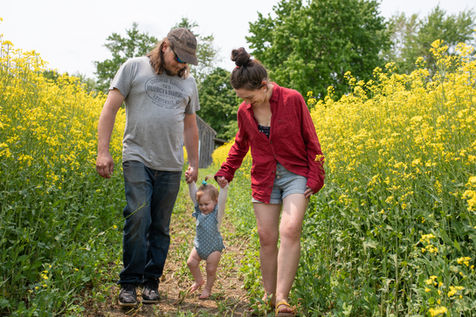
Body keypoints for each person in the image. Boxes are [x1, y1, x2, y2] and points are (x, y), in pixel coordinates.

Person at [215, 48, 325, 316]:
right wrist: (226, 170)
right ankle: (269, 296)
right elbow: (241, 144)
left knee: (290, 229)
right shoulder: (245, 111)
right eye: (242, 99)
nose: (247, 103)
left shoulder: (293, 100)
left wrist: (316, 175)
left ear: (264, 86)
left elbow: (312, 139)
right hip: (264, 177)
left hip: (295, 174)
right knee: (267, 237)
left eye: (250, 97)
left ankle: (283, 299)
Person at [95, 28, 200, 307]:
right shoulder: (133, 68)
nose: (183, 65)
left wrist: (193, 162)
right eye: (179, 58)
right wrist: (103, 151)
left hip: (171, 164)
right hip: (137, 157)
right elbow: (110, 108)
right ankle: (129, 283)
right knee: (137, 218)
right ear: (165, 46)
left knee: (160, 226)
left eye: (188, 61)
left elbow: (190, 125)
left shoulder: (188, 83)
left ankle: (151, 282)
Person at [186, 176, 228, 299]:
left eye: (207, 204)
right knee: (191, 262)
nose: (203, 207)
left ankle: (207, 289)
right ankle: (199, 281)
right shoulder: (199, 212)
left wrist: (223, 188)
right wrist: (191, 182)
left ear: (215, 202)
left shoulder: (216, 214)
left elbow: (222, 201)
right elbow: (194, 196)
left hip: (213, 247)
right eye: (201, 204)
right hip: (199, 246)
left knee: (210, 269)